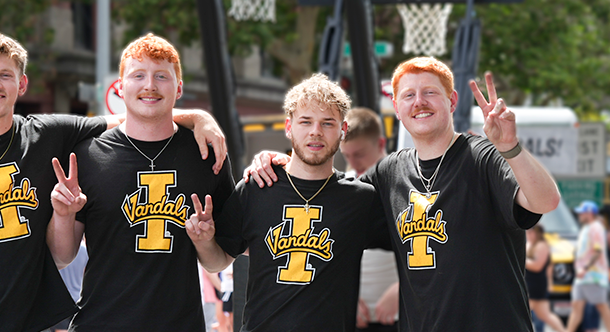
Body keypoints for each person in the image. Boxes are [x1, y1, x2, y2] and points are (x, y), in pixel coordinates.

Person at [0, 32, 227, 332]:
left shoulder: (49, 134)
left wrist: (198, 117)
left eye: (5, 75)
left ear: (22, 84)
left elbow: (135, 116)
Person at [245, 58, 561, 331]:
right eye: (408, 95)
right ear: (397, 108)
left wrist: (510, 148)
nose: (418, 102)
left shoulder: (481, 156)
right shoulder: (388, 173)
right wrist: (290, 163)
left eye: (430, 93)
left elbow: (545, 201)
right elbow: (329, 199)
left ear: (451, 102)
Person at [44, 33, 236, 331]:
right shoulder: (87, 155)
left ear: (178, 87)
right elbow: (61, 256)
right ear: (120, 87)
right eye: (138, 75)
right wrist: (63, 215)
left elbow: (218, 263)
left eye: (162, 76)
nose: (150, 85)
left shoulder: (205, 154)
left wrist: (205, 240)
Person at [185, 74, 387, 331]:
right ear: (289, 127)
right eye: (305, 121)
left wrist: (392, 290)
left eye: (327, 123)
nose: (315, 131)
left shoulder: (361, 200)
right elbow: (219, 261)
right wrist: (203, 241)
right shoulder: (256, 187)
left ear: (343, 130)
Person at [340, 107, 401, 331]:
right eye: (347, 155)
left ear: (381, 144)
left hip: (399, 317)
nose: (353, 163)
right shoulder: (344, 188)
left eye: (359, 154)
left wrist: (400, 289)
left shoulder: (404, 185)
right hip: (354, 318)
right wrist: (345, 298)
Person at [566, 201, 610, 332]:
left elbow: (598, 251)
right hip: (583, 276)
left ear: (590, 214)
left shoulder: (596, 227)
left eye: (582, 212)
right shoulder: (587, 228)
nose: (579, 214)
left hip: (593, 275)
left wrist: (585, 268)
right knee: (576, 307)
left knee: (601, 306)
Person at [528, 224, 567, 332]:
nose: (528, 235)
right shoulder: (531, 245)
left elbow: (537, 266)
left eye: (531, 232)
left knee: (520, 311)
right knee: (545, 315)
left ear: (537, 233)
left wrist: (521, 261)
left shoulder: (542, 245)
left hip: (535, 285)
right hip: (532, 284)